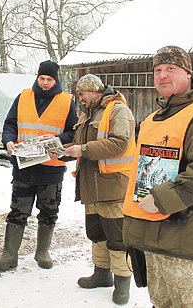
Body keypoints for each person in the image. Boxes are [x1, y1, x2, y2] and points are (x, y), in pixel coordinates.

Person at [52, 73, 136, 305]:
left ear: (94, 91)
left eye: (81, 93)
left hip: (113, 187)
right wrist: (60, 151)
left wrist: (83, 150)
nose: (79, 98)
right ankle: (102, 274)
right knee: (96, 233)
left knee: (117, 237)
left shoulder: (118, 110)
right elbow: (80, 146)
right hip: (91, 188)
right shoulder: (88, 113)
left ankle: (122, 282)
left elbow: (120, 143)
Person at [123, 46, 193, 307]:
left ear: (189, 73)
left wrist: (161, 199)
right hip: (152, 236)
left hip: (186, 244)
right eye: (157, 70)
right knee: (160, 302)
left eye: (171, 69)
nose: (163, 75)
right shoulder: (151, 119)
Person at [0, 60, 78, 270]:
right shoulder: (23, 97)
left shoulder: (67, 101)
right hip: (24, 166)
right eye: (42, 78)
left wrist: (56, 138)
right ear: (37, 77)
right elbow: (10, 123)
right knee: (18, 210)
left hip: (51, 167)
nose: (45, 83)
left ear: (55, 79)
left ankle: (42, 252)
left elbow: (74, 131)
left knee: (49, 210)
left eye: (49, 79)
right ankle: (10, 254)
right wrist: (8, 140)